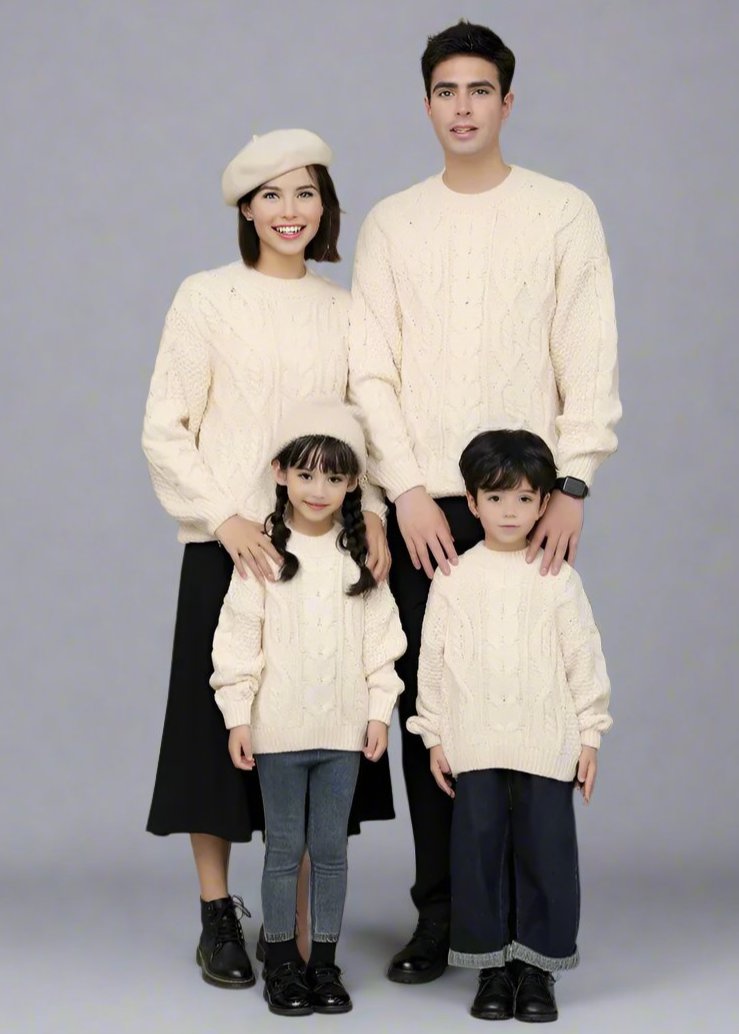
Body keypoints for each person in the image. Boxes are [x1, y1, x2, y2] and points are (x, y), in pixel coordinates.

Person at [348, 20, 621, 982]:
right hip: (427, 508)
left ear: (508, 101)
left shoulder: (560, 212)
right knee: (444, 713)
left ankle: (526, 930)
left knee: (529, 706)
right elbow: (370, 367)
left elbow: (585, 352)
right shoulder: (391, 221)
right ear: (424, 103)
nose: (460, 107)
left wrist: (572, 481)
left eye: (478, 90)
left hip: (524, 499)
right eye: (443, 91)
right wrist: (408, 491)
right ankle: (444, 914)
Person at [141, 129, 392, 988]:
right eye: (273, 195)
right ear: (245, 208)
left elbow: (367, 425)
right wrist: (224, 517)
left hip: (327, 547)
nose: (291, 211)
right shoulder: (205, 298)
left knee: (323, 713)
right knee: (215, 731)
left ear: (325, 207)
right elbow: (166, 425)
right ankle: (219, 916)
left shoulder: (344, 307)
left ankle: (297, 930)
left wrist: (376, 514)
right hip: (232, 545)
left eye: (307, 193)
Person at [408, 428, 612, 1022]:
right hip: (474, 742)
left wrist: (589, 735)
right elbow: (433, 660)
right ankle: (490, 968)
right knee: (478, 855)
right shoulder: (454, 576)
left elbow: (583, 657)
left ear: (545, 503)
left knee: (545, 853)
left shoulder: (557, 577)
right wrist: (436, 734)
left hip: (546, 743)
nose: (509, 511)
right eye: (495, 498)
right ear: (471, 503)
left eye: (525, 499)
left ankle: (537, 970)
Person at [210, 398, 406, 1016]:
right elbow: (237, 644)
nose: (318, 489)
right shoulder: (262, 557)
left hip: (343, 735)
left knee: (331, 851)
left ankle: (323, 962)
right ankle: (282, 963)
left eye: (334, 476)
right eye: (305, 473)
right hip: (278, 734)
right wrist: (238, 716)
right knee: (281, 849)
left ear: (352, 483)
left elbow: (383, 647)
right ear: (280, 473)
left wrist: (378, 713)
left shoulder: (360, 560)